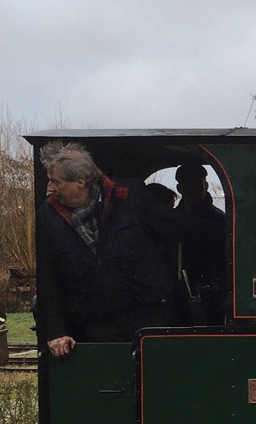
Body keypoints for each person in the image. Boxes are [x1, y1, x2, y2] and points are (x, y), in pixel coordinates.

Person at [37, 141, 176, 358]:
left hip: (149, 317)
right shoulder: (48, 213)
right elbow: (48, 276)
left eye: (56, 181)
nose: (50, 187)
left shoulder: (130, 196)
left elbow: (174, 231)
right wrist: (56, 331)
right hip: (94, 325)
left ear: (80, 183)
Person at [174, 162, 227, 323]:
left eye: (198, 184)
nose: (194, 190)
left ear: (206, 185)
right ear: (180, 188)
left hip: (212, 289)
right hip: (178, 289)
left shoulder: (220, 220)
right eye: (188, 184)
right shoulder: (171, 219)